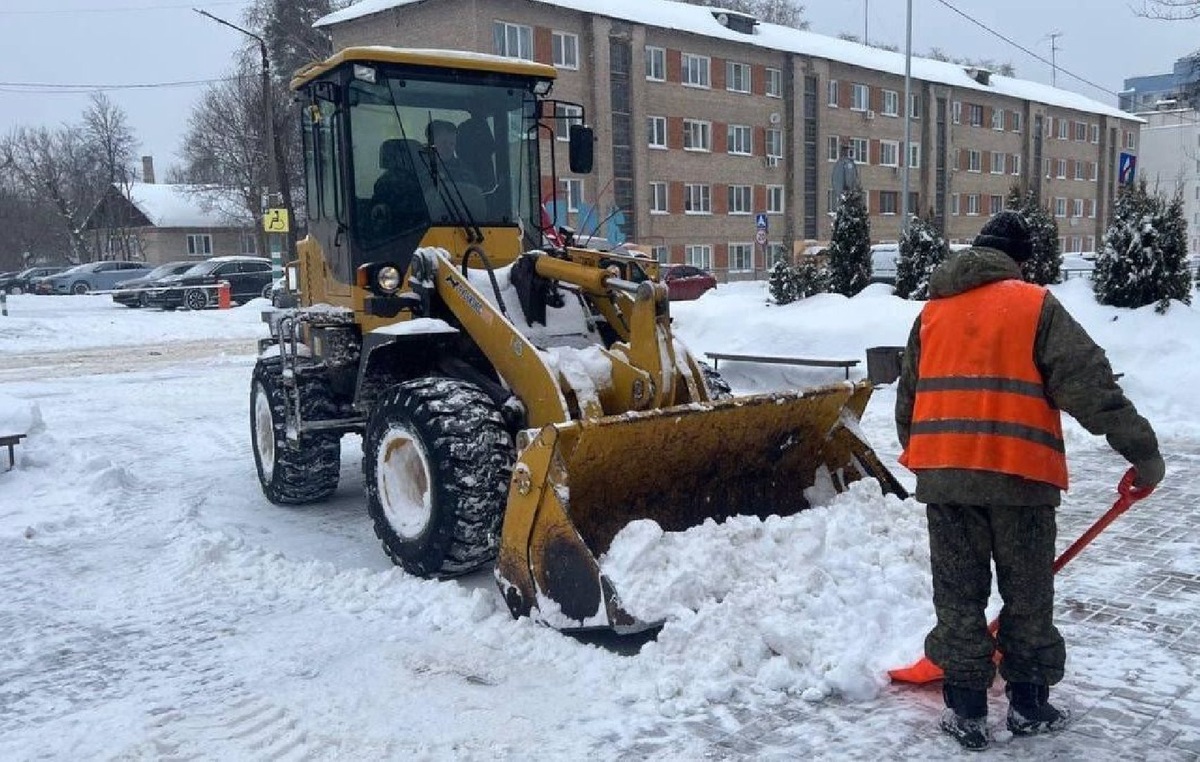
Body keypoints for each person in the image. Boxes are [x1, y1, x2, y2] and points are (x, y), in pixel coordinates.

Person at [894, 210, 1165, 751]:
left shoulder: (932, 314)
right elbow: (1089, 386)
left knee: (958, 596)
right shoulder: (1034, 305)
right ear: (1021, 260)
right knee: (1027, 596)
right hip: (1020, 479)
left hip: (947, 480)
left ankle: (968, 710)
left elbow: (909, 401)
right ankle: (1028, 705)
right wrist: (1143, 451)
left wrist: (930, 458)